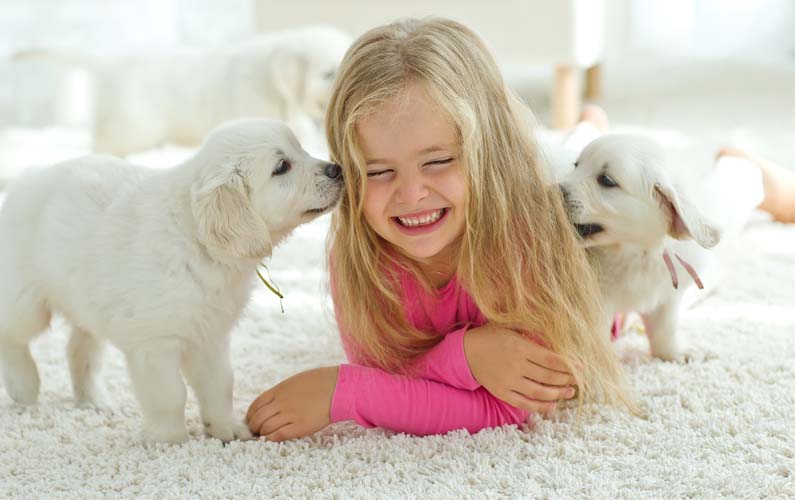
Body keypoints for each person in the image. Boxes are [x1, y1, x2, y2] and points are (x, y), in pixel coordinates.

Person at [245, 17, 636, 442]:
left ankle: (606, 134)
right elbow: (387, 370)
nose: (410, 195)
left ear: (492, 154)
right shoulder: (361, 255)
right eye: (378, 171)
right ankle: (585, 128)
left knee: (602, 174)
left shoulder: (529, 239)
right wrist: (465, 356)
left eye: (437, 162)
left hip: (601, 241)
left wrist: (346, 392)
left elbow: (511, 404)